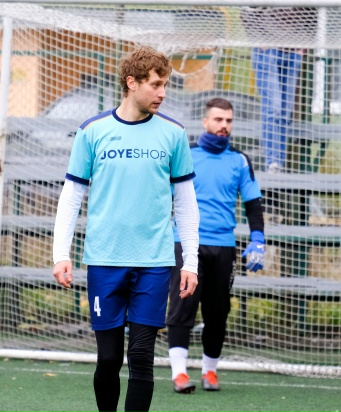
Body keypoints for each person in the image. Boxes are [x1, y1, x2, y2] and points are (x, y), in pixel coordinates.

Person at [52, 46, 200, 412]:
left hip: (154, 263)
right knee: (108, 359)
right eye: (155, 85)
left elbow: (185, 202)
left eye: (164, 85)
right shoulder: (92, 131)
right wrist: (60, 254)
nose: (162, 93)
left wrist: (191, 261)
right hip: (104, 260)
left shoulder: (174, 134)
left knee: (142, 357)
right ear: (131, 83)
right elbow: (71, 197)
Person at [166, 98, 265, 393]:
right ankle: (179, 374)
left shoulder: (240, 160)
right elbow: (162, 195)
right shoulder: (185, 155)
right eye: (218, 119)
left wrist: (258, 239)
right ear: (205, 122)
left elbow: (253, 203)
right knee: (182, 307)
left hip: (223, 246)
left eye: (228, 121)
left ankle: (210, 372)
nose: (224, 125)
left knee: (218, 312)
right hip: (186, 243)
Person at [241, 7, 317, 173]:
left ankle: (279, 165)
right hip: (268, 49)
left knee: (285, 111)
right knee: (273, 108)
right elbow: (246, 7)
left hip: (293, 49)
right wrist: (259, 39)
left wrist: (305, 44)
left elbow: (312, 8)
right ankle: (272, 162)